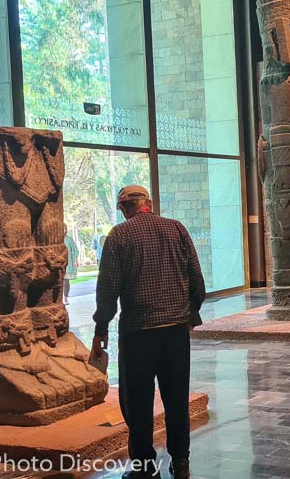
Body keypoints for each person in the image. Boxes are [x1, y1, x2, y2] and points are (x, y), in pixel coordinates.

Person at [91, 185, 206, 478]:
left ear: (123, 208)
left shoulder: (119, 236)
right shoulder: (176, 229)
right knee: (177, 399)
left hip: (138, 332)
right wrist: (189, 315)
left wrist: (101, 326)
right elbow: (196, 278)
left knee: (138, 402)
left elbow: (108, 288)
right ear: (149, 204)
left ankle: (144, 466)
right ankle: (180, 461)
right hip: (175, 331)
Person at [64, 228, 79, 305]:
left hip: (68, 262)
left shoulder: (69, 239)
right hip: (59, 263)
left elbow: (75, 249)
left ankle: (65, 297)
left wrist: (75, 260)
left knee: (66, 281)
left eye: (65, 229)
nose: (63, 230)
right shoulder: (56, 239)